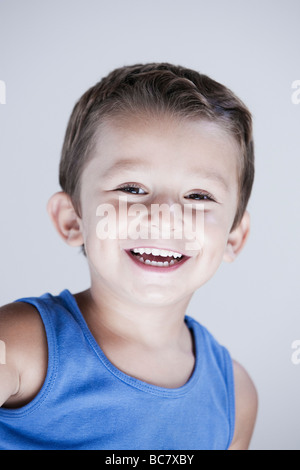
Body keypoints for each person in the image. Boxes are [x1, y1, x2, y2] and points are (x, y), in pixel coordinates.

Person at [0, 63, 258, 450]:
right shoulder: (18, 348)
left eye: (199, 196)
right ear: (73, 220)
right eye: (132, 188)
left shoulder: (236, 396)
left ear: (234, 237)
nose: (165, 215)